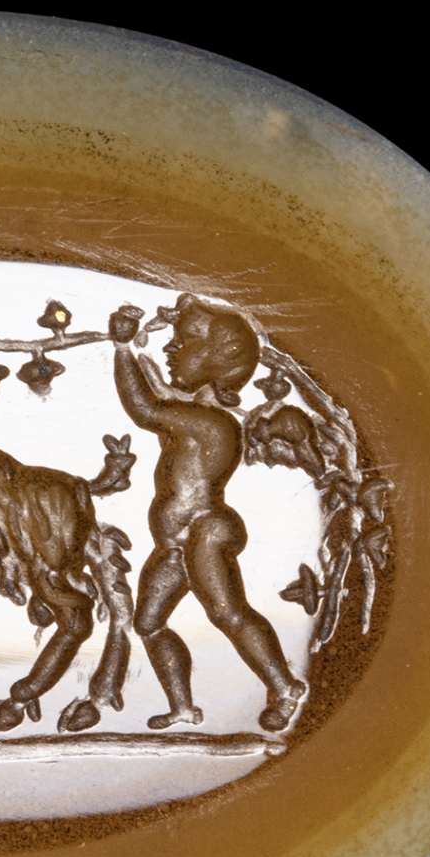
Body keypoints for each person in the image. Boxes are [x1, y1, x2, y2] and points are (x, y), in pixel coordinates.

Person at [109, 296, 306, 732]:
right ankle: (183, 708)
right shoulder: (191, 414)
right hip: (176, 540)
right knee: (149, 623)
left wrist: (121, 348)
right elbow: (160, 400)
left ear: (219, 359)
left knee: (226, 612)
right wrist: (148, 371)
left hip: (205, 529)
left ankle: (285, 686)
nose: (171, 348)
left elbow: (145, 410)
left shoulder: (213, 423)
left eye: (183, 342)